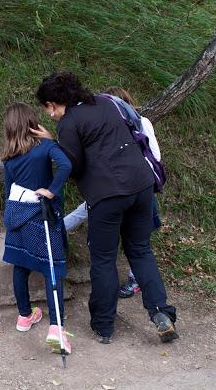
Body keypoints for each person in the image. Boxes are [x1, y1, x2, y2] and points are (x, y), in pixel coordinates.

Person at [33, 73, 178, 344]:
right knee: (140, 251)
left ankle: (104, 326)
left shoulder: (68, 122)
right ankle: (161, 312)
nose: (49, 114)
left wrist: (53, 144)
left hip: (107, 195)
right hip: (142, 186)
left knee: (103, 259)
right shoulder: (106, 102)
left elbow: (73, 166)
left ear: (53, 103)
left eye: (47, 108)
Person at [63, 86, 163, 299]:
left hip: (125, 186)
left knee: (132, 245)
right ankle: (158, 307)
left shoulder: (139, 122)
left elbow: (154, 154)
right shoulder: (113, 122)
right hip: (126, 185)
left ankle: (130, 285)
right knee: (138, 246)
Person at [1, 103, 73, 354]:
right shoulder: (45, 149)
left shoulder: (9, 161)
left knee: (20, 266)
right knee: (51, 269)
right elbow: (66, 165)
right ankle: (56, 328)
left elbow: (8, 192)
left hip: (17, 217)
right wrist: (52, 190)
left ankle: (24, 316)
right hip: (41, 218)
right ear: (33, 124)